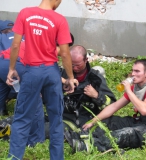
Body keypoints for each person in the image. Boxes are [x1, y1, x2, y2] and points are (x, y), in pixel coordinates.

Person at [6, 1, 76, 160]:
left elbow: (16, 45)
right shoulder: (59, 19)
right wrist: (71, 78)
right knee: (56, 120)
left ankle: (14, 158)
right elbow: (65, 53)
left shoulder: (25, 13)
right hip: (51, 72)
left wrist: (11, 68)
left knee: (22, 118)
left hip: (32, 72)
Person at [65, 58, 146, 152]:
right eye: (132, 71)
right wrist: (94, 121)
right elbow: (114, 106)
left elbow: (144, 110)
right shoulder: (136, 88)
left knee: (125, 134)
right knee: (107, 122)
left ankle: (89, 145)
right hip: (140, 121)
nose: (133, 74)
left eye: (137, 71)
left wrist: (128, 90)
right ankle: (80, 136)